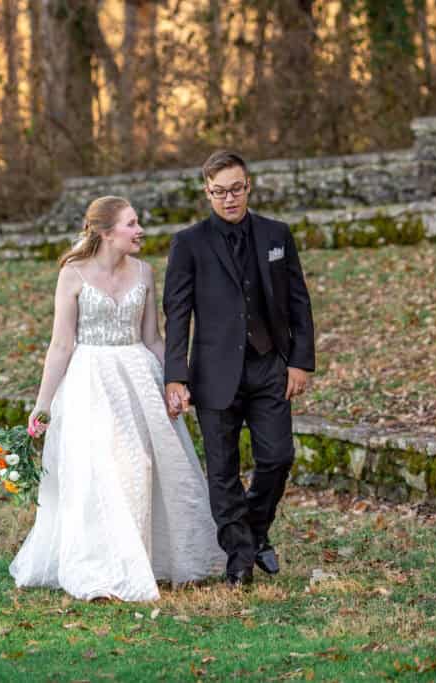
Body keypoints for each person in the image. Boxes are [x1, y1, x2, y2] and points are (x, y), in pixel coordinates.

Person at [9, 196, 224, 602]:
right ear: (107, 233)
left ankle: (144, 558)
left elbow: (153, 339)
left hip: (136, 378)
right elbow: (60, 345)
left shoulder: (144, 272)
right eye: (131, 223)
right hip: (90, 381)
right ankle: (101, 569)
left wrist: (175, 383)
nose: (140, 230)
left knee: (142, 467)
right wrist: (43, 405)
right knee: (100, 470)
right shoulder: (72, 275)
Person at [163, 151, 316, 588]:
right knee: (223, 470)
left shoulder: (276, 234)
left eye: (236, 188)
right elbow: (178, 313)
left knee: (278, 457)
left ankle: (255, 528)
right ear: (206, 192)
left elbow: (299, 301)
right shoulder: (188, 243)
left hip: (269, 367)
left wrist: (301, 361)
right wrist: (176, 374)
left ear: (249, 186)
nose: (228, 198)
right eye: (218, 191)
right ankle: (239, 558)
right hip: (213, 372)